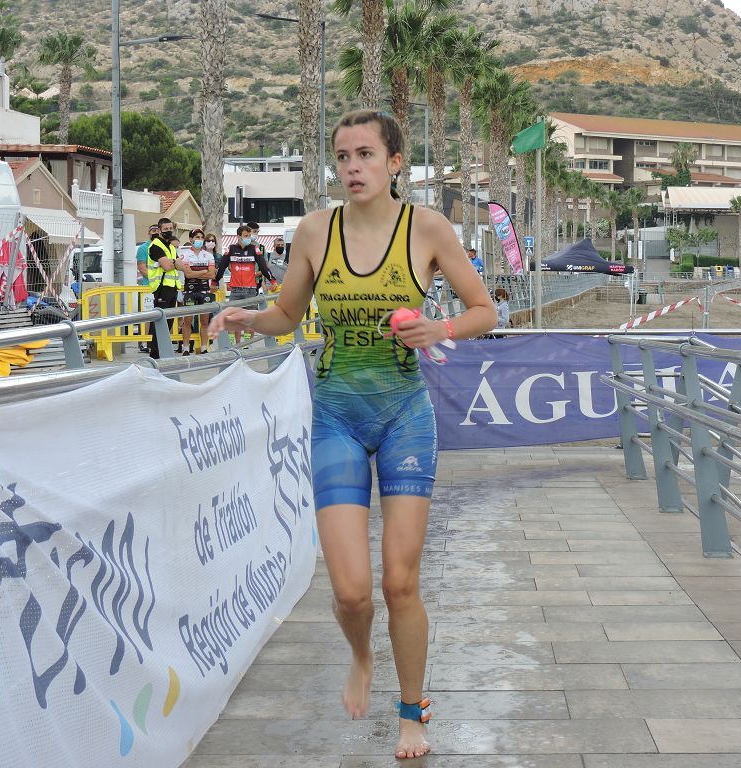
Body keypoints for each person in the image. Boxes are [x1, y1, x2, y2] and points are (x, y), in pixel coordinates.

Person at [208, 108, 495, 760]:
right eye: (343, 157)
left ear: (396, 163)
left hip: (403, 416)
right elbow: (287, 315)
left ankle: (411, 711)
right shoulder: (315, 232)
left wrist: (438, 330)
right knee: (351, 591)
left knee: (399, 583)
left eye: (366, 154)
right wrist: (243, 320)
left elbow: (484, 310)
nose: (352, 167)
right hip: (336, 414)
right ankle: (361, 655)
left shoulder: (428, 228)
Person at [215, 224, 277, 343]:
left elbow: (264, 267)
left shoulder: (255, 249)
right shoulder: (231, 249)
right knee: (232, 319)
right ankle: (231, 344)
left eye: (249, 235)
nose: (248, 238)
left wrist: (272, 280)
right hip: (236, 290)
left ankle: (247, 345)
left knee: (250, 320)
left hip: (250, 289)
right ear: (238, 236)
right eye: (246, 236)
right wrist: (215, 281)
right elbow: (222, 267)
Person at [145, 218, 185, 359]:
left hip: (173, 287)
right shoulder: (155, 246)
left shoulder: (171, 247)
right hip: (161, 287)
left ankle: (163, 351)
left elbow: (181, 266)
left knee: (168, 321)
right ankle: (155, 353)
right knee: (159, 321)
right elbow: (168, 266)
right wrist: (174, 262)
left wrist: (172, 262)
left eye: (170, 229)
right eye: (166, 229)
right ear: (160, 230)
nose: (169, 231)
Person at [178, 228, 216, 355]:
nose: (199, 239)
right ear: (191, 239)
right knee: (187, 321)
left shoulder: (209, 255)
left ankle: (204, 347)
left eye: (201, 237)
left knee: (204, 321)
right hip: (189, 290)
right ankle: (186, 348)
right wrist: (203, 272)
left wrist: (196, 273)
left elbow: (211, 275)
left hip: (205, 291)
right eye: (196, 237)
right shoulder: (185, 255)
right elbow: (188, 275)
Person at [136, 224, 160, 352]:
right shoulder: (143, 248)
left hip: (161, 287)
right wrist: (154, 278)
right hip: (147, 287)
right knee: (147, 316)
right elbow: (142, 267)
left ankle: (157, 341)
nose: (155, 233)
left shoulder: (163, 247)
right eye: (153, 231)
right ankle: (144, 342)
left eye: (157, 230)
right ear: (148, 233)